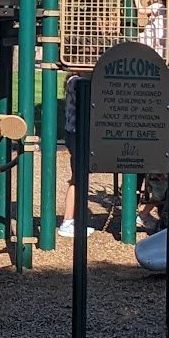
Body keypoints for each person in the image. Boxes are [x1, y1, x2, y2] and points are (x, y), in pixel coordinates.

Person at [59, 74, 95, 239]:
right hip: (76, 134)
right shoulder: (76, 81)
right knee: (78, 178)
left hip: (75, 133)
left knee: (78, 177)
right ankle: (68, 221)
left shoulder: (74, 80)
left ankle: (71, 220)